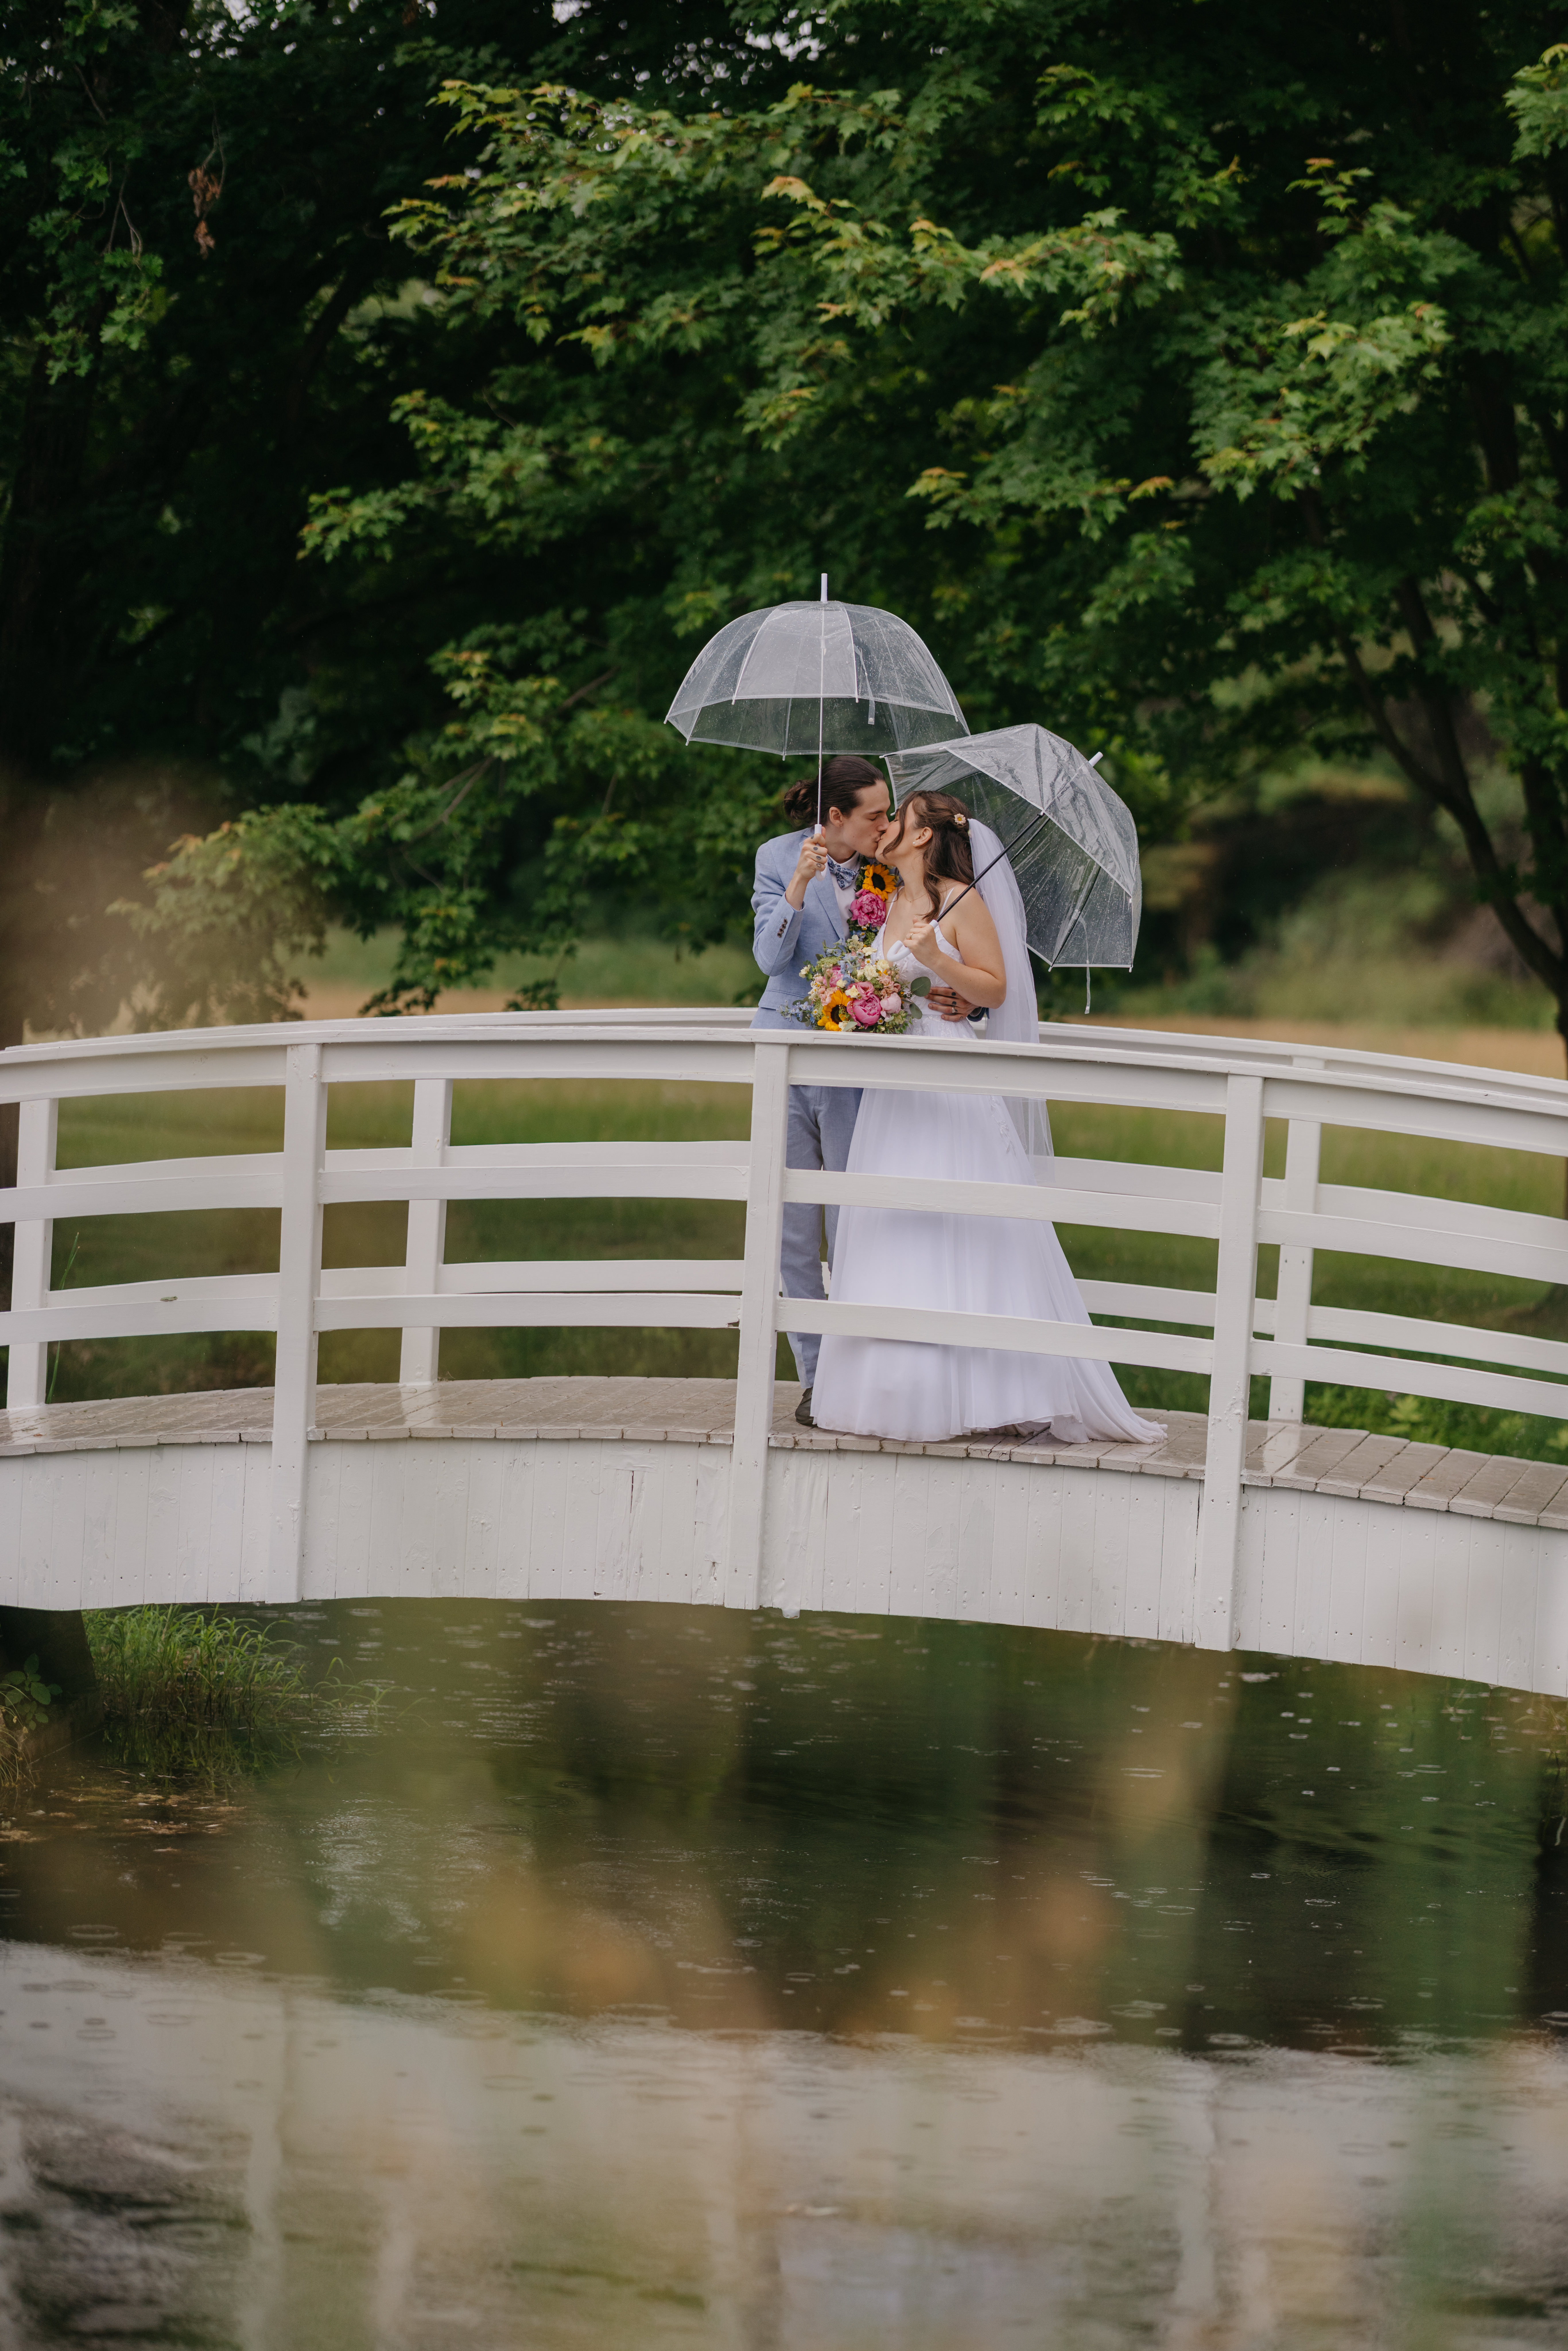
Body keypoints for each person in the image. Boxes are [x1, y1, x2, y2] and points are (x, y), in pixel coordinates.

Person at [810, 790, 1164, 1447]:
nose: (886, 826)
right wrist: (862, 993)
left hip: (948, 1077)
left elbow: (995, 987)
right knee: (894, 1216)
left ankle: (991, 1389)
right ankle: (892, 1387)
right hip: (895, 1089)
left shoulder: (961, 900)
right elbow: (897, 983)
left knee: (961, 1215)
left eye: (898, 818)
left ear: (923, 836)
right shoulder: (890, 898)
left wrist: (939, 961)